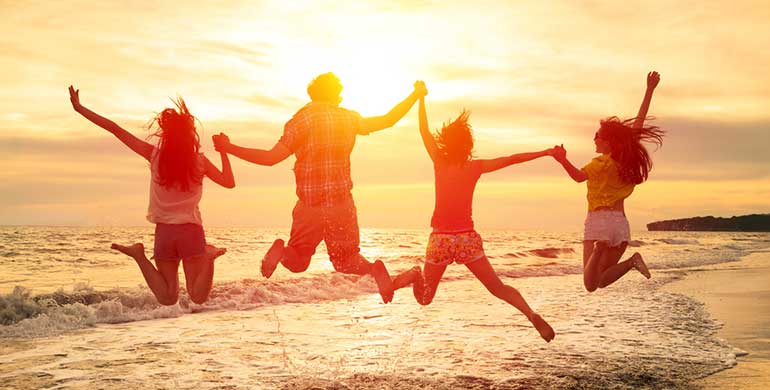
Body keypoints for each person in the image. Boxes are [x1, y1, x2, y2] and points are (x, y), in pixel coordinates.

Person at [211, 72, 427, 303]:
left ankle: (282, 251)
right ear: (337, 95)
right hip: (341, 205)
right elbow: (388, 119)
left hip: (309, 207)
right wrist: (415, 95)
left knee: (298, 261)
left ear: (312, 93)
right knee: (347, 261)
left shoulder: (301, 120)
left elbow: (270, 158)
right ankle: (375, 270)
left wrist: (229, 147)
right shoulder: (349, 118)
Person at [391, 81, 556, 342]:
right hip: (467, 238)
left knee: (425, 298)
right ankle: (530, 314)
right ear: (468, 144)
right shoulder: (475, 167)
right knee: (497, 287)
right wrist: (544, 152)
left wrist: (421, 98)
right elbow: (512, 159)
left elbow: (423, 130)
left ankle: (413, 274)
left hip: (441, 239)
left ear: (446, 140)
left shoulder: (439, 161)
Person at [69, 86, 235, 305]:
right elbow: (229, 182)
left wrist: (80, 109)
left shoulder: (155, 155)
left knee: (167, 297)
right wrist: (224, 150)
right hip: (190, 230)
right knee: (198, 296)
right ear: (190, 135)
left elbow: (116, 130)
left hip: (164, 232)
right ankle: (210, 258)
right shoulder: (200, 161)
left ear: (166, 135)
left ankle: (139, 255)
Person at [551, 71, 665, 292]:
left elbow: (576, 177)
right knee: (601, 281)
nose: (594, 138)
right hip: (620, 225)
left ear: (607, 141)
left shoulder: (599, 164)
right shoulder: (627, 161)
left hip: (598, 221)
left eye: (597, 135)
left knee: (589, 284)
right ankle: (633, 261)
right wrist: (649, 90)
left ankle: (598, 249)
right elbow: (639, 123)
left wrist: (562, 160)